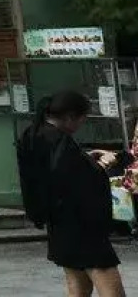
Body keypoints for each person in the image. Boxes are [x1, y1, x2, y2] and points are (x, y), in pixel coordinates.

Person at [17, 90, 126, 297]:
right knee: (111, 289)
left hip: (58, 223)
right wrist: (103, 164)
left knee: (79, 288)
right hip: (82, 225)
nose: (80, 126)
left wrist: (85, 159)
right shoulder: (60, 142)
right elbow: (76, 181)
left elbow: (56, 172)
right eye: (81, 120)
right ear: (69, 117)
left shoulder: (32, 134)